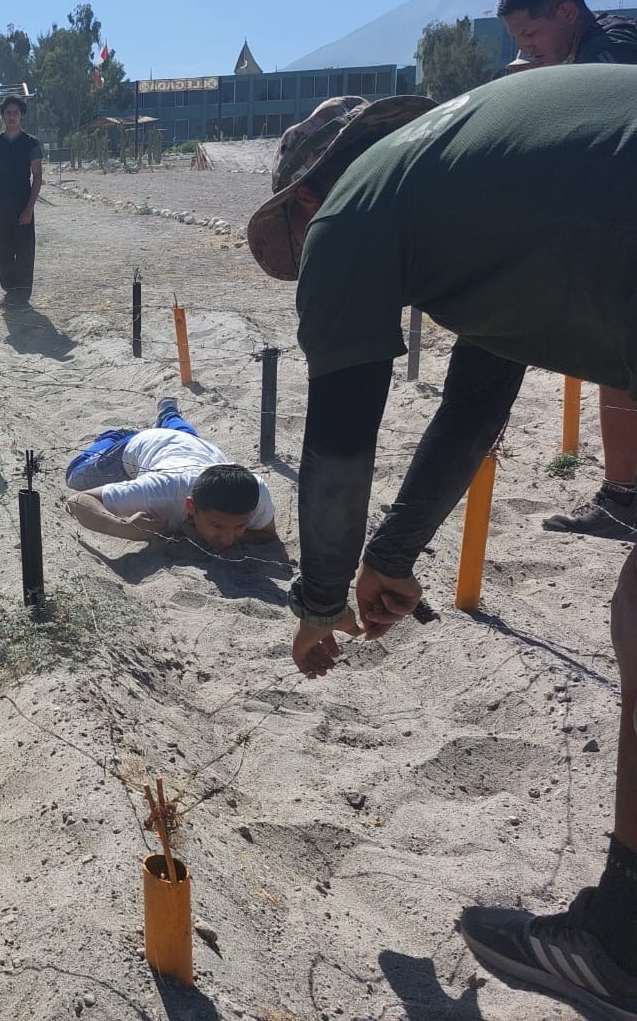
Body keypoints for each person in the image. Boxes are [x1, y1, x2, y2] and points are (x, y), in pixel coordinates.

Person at [244, 66, 637, 1019]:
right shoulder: (472, 178)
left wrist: (316, 605)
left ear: (305, 201)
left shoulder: (347, 214)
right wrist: (395, 556)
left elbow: (341, 436)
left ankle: (623, 945)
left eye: (297, 262)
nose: (312, 278)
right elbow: (474, 401)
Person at [496, 0, 637, 541]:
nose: (527, 50)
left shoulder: (607, 65)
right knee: (616, 359)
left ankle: (623, 497)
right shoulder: (600, 47)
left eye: (531, 37)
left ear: (566, 14)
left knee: (618, 355)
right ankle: (623, 495)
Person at [64, 398, 277, 549]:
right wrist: (125, 528)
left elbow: (267, 534)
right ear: (191, 506)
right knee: (74, 476)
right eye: (217, 526)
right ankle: (116, 435)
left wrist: (194, 534)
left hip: (198, 448)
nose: (228, 539)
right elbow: (79, 501)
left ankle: (169, 415)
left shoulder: (254, 492)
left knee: (185, 437)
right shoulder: (158, 491)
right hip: (139, 447)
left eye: (240, 527)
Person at [0, 95, 42, 302]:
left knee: (25, 251)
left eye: (16, 112)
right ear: (3, 116)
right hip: (0, 206)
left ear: (22, 116)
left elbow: (38, 176)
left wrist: (30, 208)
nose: (12, 116)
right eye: (8, 112)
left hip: (23, 205)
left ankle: (22, 296)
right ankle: (10, 291)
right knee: (2, 252)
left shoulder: (31, 143)